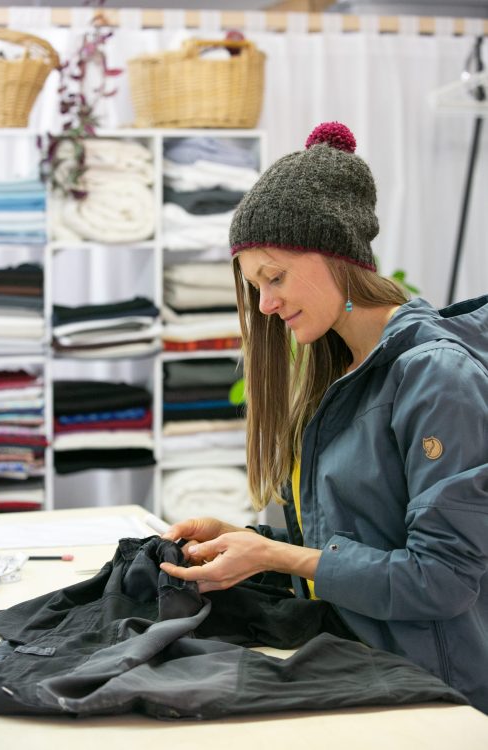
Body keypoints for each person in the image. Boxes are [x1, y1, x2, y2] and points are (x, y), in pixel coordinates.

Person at [160, 121, 488, 713]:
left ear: (338, 255)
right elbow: (351, 543)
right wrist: (251, 542)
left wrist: (279, 557)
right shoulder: (340, 374)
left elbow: (442, 580)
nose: (266, 304)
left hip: (438, 699)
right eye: (255, 286)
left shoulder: (435, 377)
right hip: (357, 667)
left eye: (275, 276)